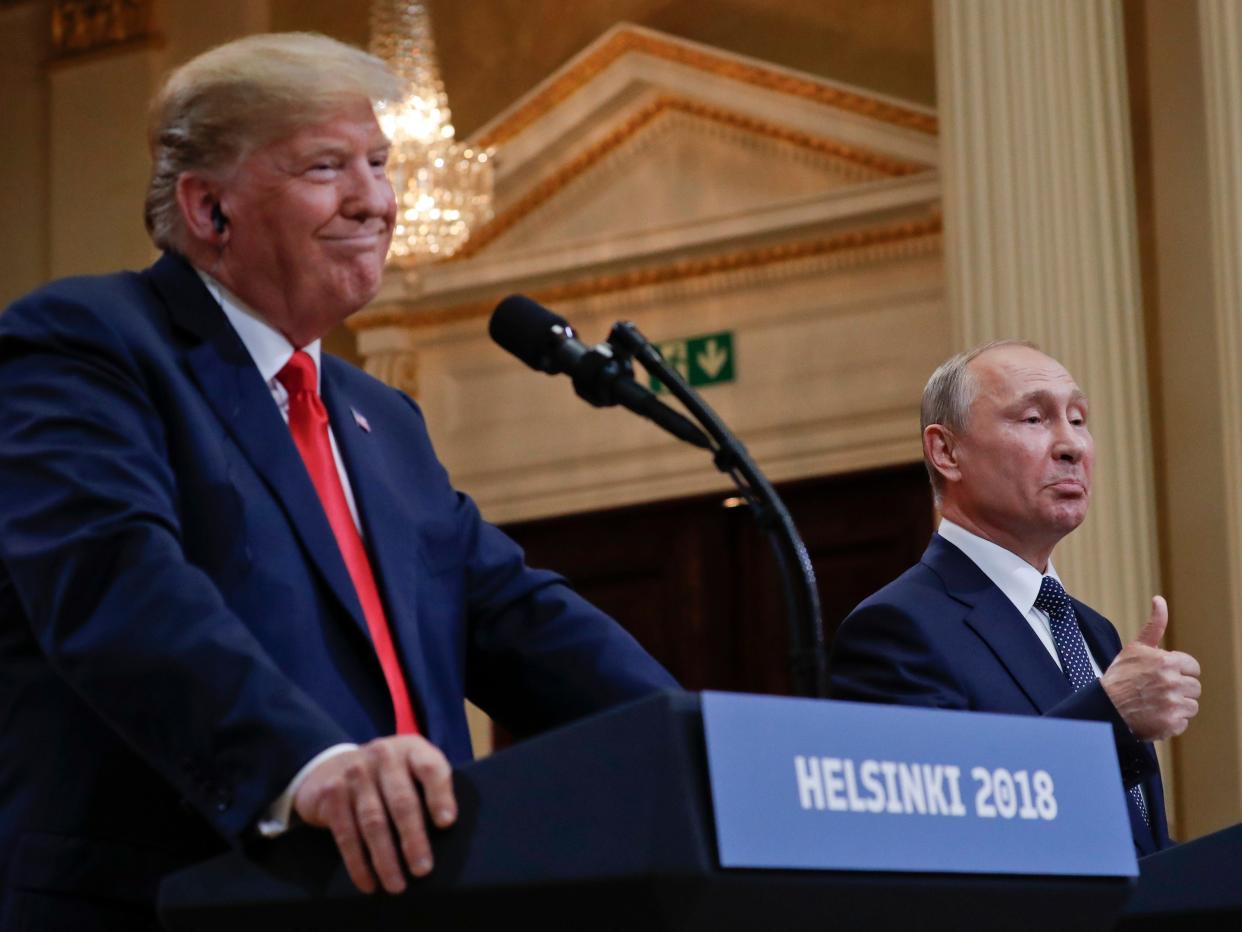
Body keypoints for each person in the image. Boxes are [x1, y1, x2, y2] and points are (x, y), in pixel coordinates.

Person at [0, 33, 676, 929]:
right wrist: (309, 766)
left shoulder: (380, 418)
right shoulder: (87, 344)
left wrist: (701, 741)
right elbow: (119, 586)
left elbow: (511, 613)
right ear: (210, 209)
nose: (376, 201)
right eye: (327, 167)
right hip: (175, 899)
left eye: (379, 163)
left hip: (403, 894)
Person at [828, 340, 1201, 855]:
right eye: (1033, 418)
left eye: (1078, 417)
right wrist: (1108, 716)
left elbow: (1126, 842)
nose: (1072, 445)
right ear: (946, 452)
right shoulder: (895, 629)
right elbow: (938, 828)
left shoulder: (1093, 629)